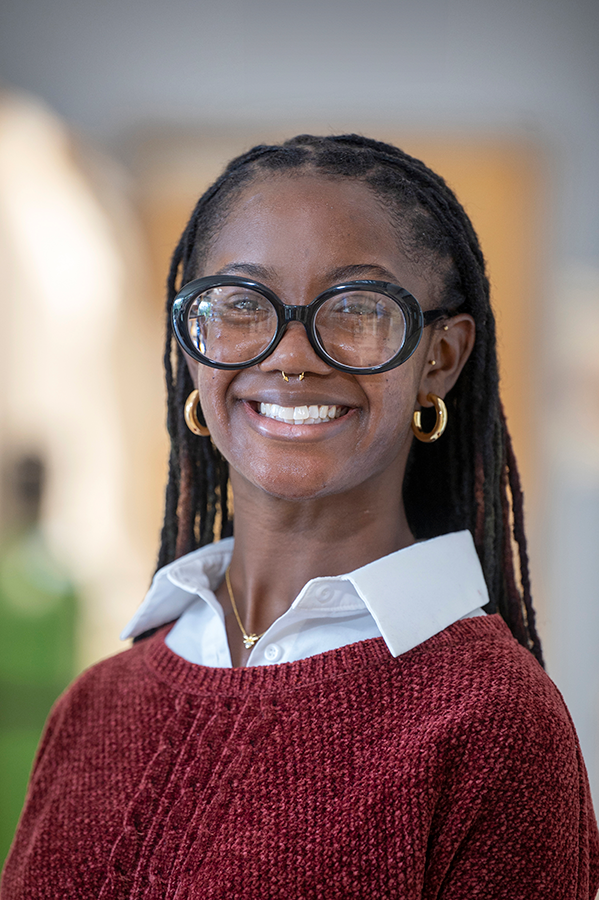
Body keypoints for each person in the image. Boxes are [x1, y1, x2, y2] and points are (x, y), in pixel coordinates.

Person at [2, 134, 598, 898]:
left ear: (439, 360)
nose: (289, 356)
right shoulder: (96, 703)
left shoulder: (493, 721)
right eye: (241, 306)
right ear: (192, 342)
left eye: (355, 309)